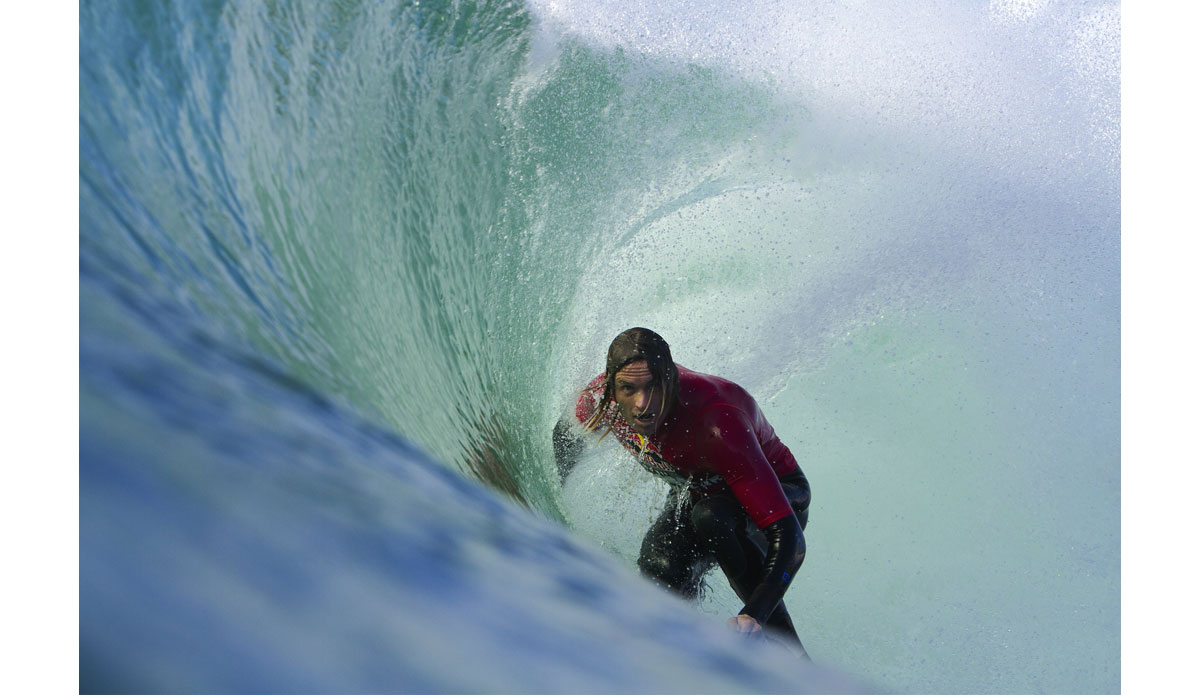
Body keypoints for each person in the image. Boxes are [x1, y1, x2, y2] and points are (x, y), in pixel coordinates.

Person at [554, 328, 811, 656]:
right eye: (628, 389)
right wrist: (556, 496)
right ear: (613, 388)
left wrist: (754, 615)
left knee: (712, 516)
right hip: (699, 491)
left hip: (780, 497)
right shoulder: (601, 400)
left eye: (653, 387)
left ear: (671, 380)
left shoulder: (716, 424)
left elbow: (789, 539)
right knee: (659, 567)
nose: (642, 404)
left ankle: (790, 655)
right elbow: (565, 436)